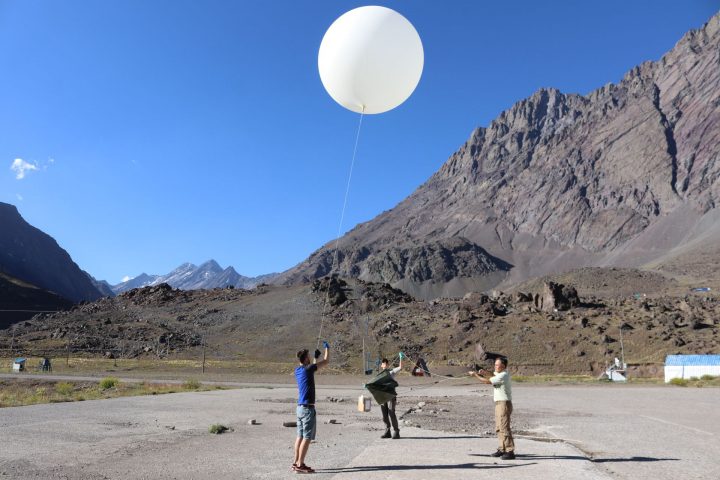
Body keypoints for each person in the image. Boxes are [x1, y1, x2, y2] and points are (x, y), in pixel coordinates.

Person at [292, 341, 329, 474]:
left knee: (299, 436)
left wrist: (314, 359)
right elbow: (326, 361)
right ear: (306, 358)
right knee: (306, 437)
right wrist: (327, 349)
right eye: (309, 356)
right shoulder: (308, 368)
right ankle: (300, 465)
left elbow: (311, 369)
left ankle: (296, 462)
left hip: (300, 408)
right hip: (307, 409)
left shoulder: (298, 370)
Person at [468, 356, 515, 460]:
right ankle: (502, 449)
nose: (495, 367)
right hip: (498, 403)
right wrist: (484, 372)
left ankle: (510, 451)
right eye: (495, 365)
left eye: (497, 365)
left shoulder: (504, 375)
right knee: (499, 427)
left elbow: (487, 381)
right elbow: (492, 374)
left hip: (504, 403)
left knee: (504, 427)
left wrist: (476, 375)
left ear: (503, 366)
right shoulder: (499, 373)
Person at [379, 353, 404, 439]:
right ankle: (387, 431)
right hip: (382, 397)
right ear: (381, 365)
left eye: (386, 363)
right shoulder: (379, 375)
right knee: (384, 415)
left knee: (391, 412)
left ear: (388, 365)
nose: (385, 365)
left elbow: (400, 367)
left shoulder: (391, 372)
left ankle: (396, 431)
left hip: (391, 396)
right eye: (383, 363)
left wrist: (401, 358)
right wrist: (367, 385)